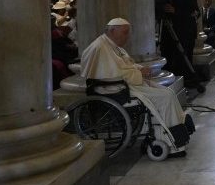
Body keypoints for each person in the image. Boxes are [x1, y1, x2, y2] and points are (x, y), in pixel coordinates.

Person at [80, 18, 192, 158]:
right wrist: (139, 73)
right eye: (125, 33)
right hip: (114, 89)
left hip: (124, 84)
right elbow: (112, 75)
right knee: (164, 97)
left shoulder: (113, 46)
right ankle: (170, 143)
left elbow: (126, 65)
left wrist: (140, 69)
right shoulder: (100, 48)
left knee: (168, 91)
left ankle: (173, 136)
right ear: (113, 31)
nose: (127, 37)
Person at [155, 0, 203, 92]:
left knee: (183, 57)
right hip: (166, 32)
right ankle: (170, 82)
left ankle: (186, 81)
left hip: (182, 32)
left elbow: (193, 12)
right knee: (167, 55)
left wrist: (175, 11)